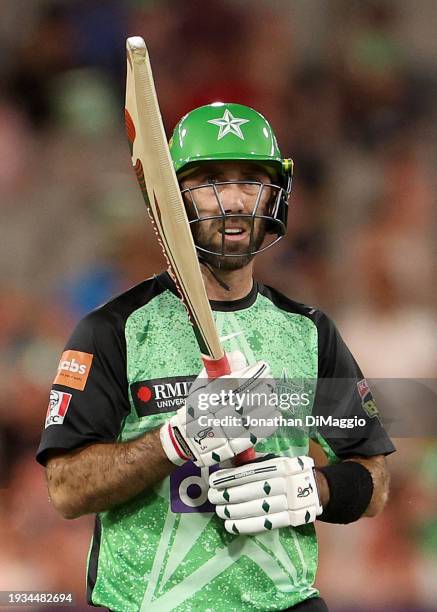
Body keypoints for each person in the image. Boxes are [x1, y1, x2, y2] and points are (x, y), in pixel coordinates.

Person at [37, 102, 395, 612]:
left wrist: (311, 488)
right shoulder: (113, 330)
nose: (232, 200)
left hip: (286, 601)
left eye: (252, 180)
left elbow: (375, 482)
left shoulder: (309, 332)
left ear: (275, 194)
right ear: (171, 198)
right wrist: (175, 440)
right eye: (209, 181)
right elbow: (65, 488)